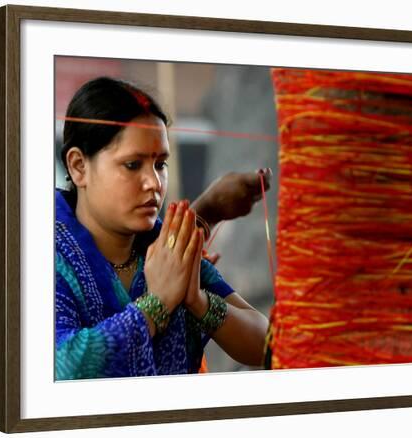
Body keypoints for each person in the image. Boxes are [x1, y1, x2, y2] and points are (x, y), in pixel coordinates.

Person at [55, 77, 271, 380]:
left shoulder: (166, 246)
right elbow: (59, 368)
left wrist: (198, 301)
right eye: (132, 165)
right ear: (79, 166)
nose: (154, 183)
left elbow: (266, 342)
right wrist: (157, 304)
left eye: (160, 164)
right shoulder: (43, 251)